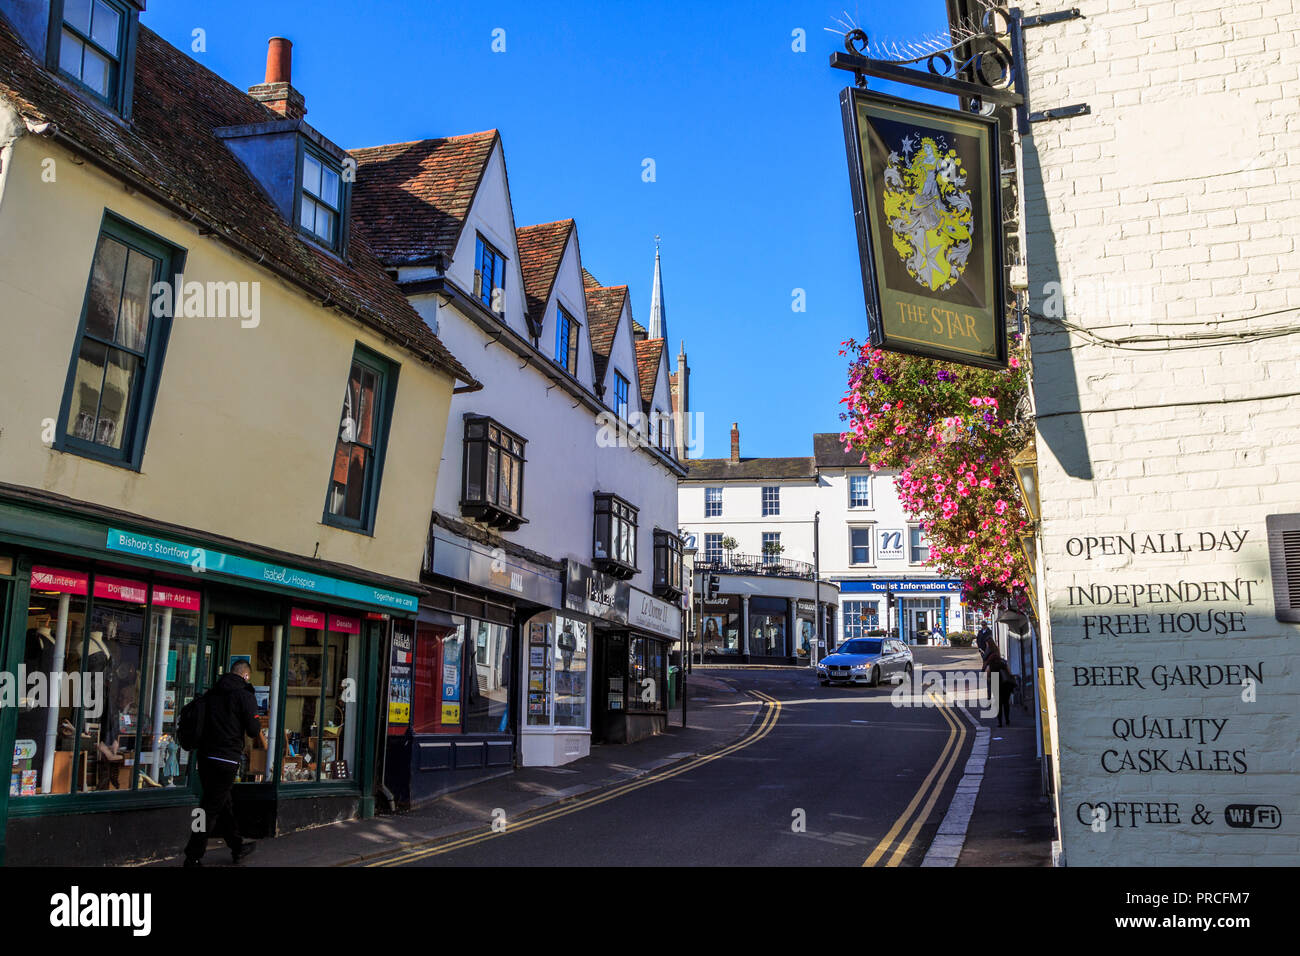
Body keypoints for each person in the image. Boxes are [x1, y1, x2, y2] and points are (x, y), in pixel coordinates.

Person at [183, 661, 263, 867]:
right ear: (245, 676)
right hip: (226, 759)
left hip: (205, 757)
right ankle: (192, 856)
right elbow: (254, 730)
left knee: (222, 803)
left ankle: (237, 846)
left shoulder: (211, 694)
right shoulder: (245, 696)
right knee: (208, 808)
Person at [981, 643, 1016, 727]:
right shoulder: (1003, 663)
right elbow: (1010, 673)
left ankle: (1000, 722)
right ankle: (1007, 720)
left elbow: (987, 675)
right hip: (1005, 685)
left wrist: (990, 680)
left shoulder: (991, 665)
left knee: (998, 705)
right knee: (1006, 704)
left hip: (996, 684)